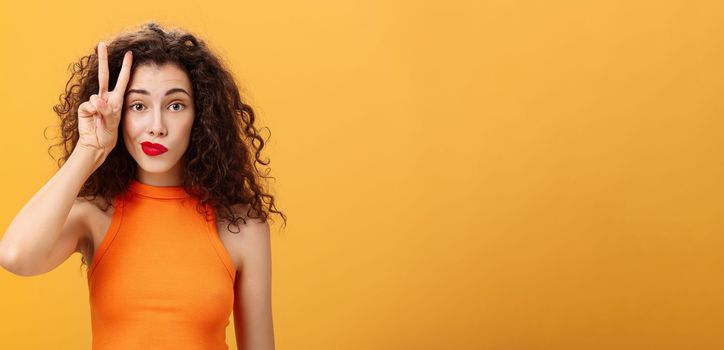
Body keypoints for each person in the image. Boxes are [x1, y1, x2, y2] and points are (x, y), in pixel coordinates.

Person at [0, 21, 285, 350]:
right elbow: (15, 255)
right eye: (138, 106)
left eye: (175, 105)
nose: (157, 127)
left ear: (201, 115)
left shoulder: (241, 225)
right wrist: (89, 149)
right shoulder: (95, 215)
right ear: (120, 115)